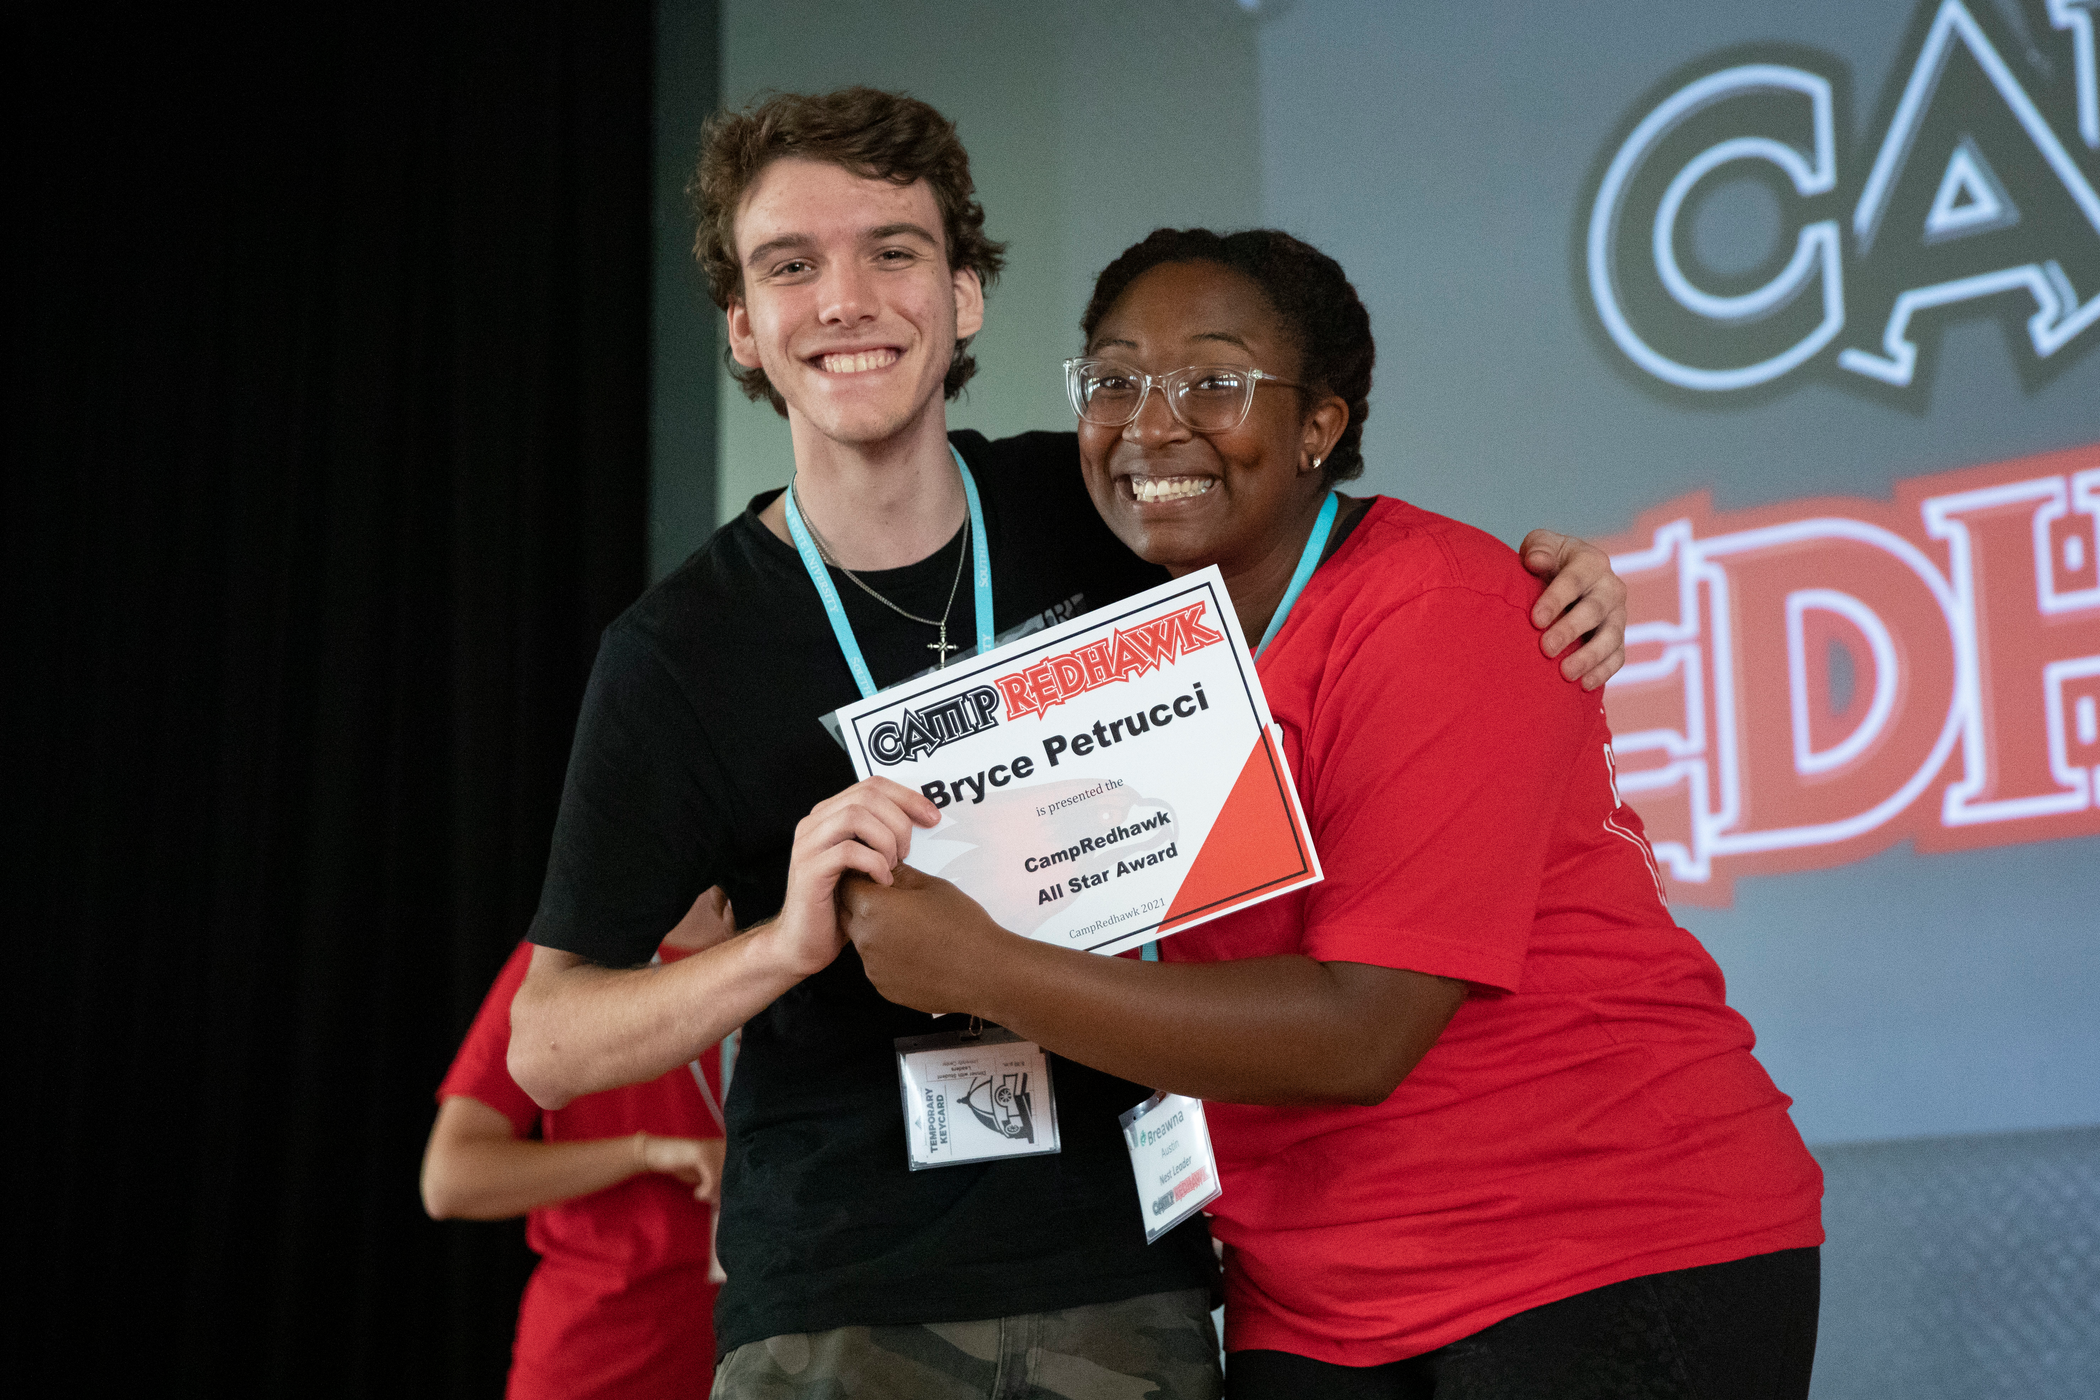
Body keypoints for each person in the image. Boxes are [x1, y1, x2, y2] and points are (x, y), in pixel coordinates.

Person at [505, 88, 1632, 1400]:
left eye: (894, 251)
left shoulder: (1100, 497)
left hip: (1133, 1274)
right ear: (745, 329)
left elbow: (1342, 557)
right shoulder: (676, 652)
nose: (847, 298)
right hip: (845, 1303)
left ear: (966, 296)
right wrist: (781, 945)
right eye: (791, 265)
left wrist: (1554, 575)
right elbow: (546, 1039)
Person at [840, 228, 1825, 1400]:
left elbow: (1364, 1031)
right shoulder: (1129, 648)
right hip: (1309, 1293)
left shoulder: (1436, 607)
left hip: (1598, 1244)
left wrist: (984, 964)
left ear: (1320, 424)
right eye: (1113, 380)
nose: (1154, 424)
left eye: (1215, 380)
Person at [423, 887, 733, 1400]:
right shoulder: (565, 963)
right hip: (602, 1351)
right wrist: (642, 1152)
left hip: (771, 1344)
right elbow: (450, 1177)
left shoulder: (810, 944)